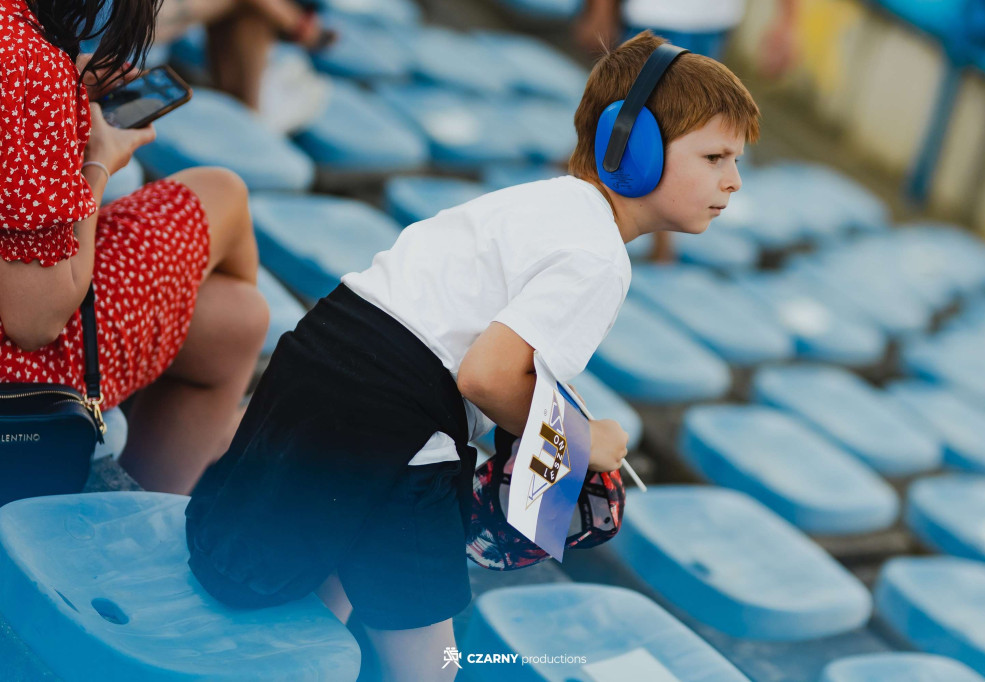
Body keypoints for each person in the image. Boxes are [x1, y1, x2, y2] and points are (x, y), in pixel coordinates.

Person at [184, 31, 759, 682]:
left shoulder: (540, 202)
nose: (733, 181)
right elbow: (484, 375)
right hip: (396, 433)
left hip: (320, 367)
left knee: (312, 612)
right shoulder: (600, 257)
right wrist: (582, 442)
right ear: (633, 149)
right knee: (432, 668)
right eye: (716, 156)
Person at [0, 0, 269, 495]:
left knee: (239, 317)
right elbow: (33, 322)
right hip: (17, 377)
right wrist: (97, 164)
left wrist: (69, 92)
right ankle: (163, 484)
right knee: (224, 192)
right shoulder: (27, 60)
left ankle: (139, 514)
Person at [576, 0, 796, 261]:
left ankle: (656, 244)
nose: (734, 183)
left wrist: (787, 23)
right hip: (658, 15)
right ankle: (652, 243)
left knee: (685, 125)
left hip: (714, 21)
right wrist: (601, 11)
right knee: (644, 126)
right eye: (716, 159)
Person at [153, 0, 335, 111]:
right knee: (251, 9)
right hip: (133, 18)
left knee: (251, 14)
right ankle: (297, 25)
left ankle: (244, 117)